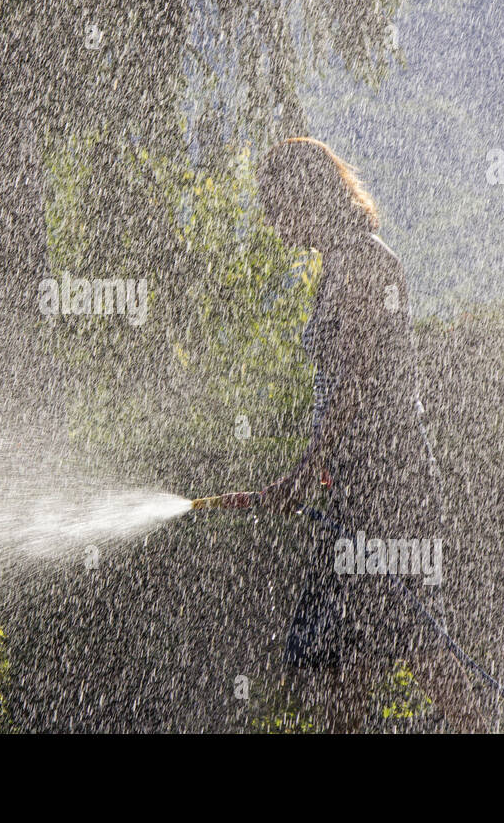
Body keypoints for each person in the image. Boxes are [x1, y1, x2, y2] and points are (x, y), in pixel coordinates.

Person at [191, 137, 488, 732]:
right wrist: (324, 469)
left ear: (307, 196)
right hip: (363, 482)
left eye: (276, 205)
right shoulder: (341, 262)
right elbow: (346, 390)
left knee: (413, 646)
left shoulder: (361, 261)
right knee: (347, 658)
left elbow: (355, 384)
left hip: (393, 483)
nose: (272, 222)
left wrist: (302, 471)